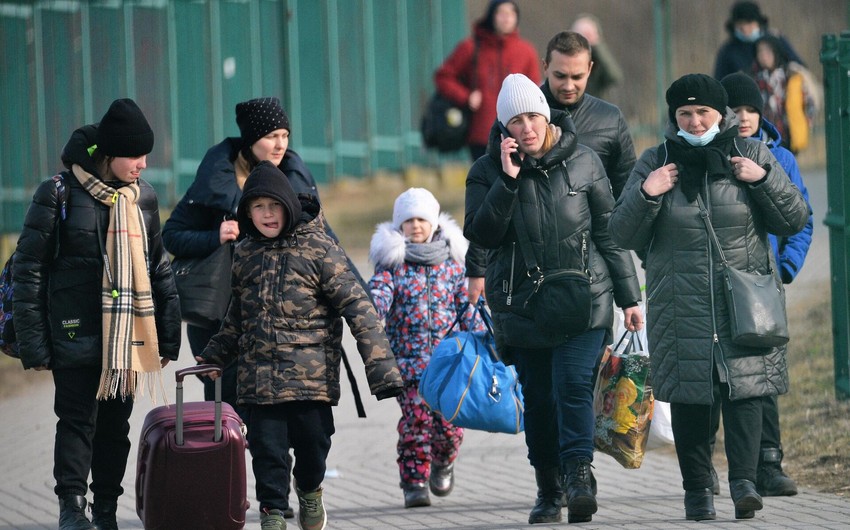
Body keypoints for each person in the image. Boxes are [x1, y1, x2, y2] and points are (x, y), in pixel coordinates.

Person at [609, 73, 809, 521]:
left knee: (746, 394)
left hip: (744, 303)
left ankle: (744, 484)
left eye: (704, 113)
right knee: (691, 400)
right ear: (673, 117)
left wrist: (762, 181)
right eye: (685, 113)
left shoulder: (752, 153)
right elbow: (620, 232)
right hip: (681, 304)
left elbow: (795, 218)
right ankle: (697, 491)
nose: (695, 122)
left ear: (723, 115)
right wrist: (646, 193)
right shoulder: (655, 161)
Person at [464, 73, 642, 524]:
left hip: (585, 298)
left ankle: (580, 476)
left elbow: (609, 231)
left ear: (546, 117)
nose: (526, 128)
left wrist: (630, 297)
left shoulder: (583, 161)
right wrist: (507, 181)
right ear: (504, 128)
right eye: (515, 121)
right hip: (521, 306)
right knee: (540, 399)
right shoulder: (486, 171)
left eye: (532, 117)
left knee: (573, 386)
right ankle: (549, 488)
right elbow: (482, 235)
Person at [195, 161, 403, 530]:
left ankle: (310, 491)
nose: (267, 214)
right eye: (258, 207)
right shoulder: (244, 254)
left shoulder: (319, 249)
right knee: (266, 451)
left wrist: (382, 369)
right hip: (258, 380)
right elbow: (237, 316)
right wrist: (215, 353)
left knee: (313, 444)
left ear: (288, 205)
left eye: (274, 205)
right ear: (247, 212)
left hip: (312, 380)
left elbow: (359, 309)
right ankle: (272, 512)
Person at [12, 98, 182, 530]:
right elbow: (29, 269)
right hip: (74, 333)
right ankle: (72, 507)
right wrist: (34, 340)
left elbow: (158, 266)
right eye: (134, 155)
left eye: (146, 155)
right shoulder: (58, 193)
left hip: (126, 337)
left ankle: (105, 510)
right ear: (109, 153)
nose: (143, 164)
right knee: (76, 422)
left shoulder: (143, 199)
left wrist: (167, 333)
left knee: (113, 429)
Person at [466, 30, 636, 305]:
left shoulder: (609, 119)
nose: (569, 85)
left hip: (588, 264)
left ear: (591, 69)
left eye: (577, 76)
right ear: (545, 67)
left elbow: (626, 192)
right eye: (560, 76)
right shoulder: (514, 116)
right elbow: (490, 197)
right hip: (527, 264)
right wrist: (477, 268)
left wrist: (632, 271)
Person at [718, 71, 813, 496]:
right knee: (726, 377)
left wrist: (787, 266)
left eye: (750, 109)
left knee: (767, 374)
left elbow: (802, 218)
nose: (742, 117)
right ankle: (720, 466)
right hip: (722, 283)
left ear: (761, 112)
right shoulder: (714, 156)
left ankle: (770, 463)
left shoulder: (782, 158)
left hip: (765, 284)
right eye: (734, 110)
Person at [367, 187, 483, 509]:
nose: (415, 226)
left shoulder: (453, 265)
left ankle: (444, 461)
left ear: (433, 223)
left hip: (449, 364)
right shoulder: (393, 265)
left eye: (421, 219)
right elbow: (379, 294)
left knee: (448, 427)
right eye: (408, 220)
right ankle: (414, 481)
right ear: (399, 226)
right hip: (409, 363)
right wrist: (371, 310)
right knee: (416, 421)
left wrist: (483, 332)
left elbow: (469, 304)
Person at [434, 0, 540, 162]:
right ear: (491, 16)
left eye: (511, 14)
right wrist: (466, 97)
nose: (506, 18)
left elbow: (535, 91)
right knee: (485, 182)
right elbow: (443, 76)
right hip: (480, 133)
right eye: (501, 13)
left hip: (517, 133)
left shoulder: (526, 52)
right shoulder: (471, 47)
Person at [753, 34, 820, 154]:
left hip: (788, 134)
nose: (764, 56)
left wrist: (804, 125)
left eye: (767, 51)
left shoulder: (792, 76)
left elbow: (810, 103)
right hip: (764, 136)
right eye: (760, 52)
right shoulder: (754, 79)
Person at [713, 1, 804, 80]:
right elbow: (719, 81)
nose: (745, 29)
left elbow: (799, 68)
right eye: (740, 24)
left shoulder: (776, 40)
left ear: (758, 23)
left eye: (749, 23)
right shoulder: (727, 51)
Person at [569, 14, 623, 101]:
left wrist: (597, 46)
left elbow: (614, 77)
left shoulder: (598, 59)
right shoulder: (564, 58)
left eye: (587, 35)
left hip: (596, 106)